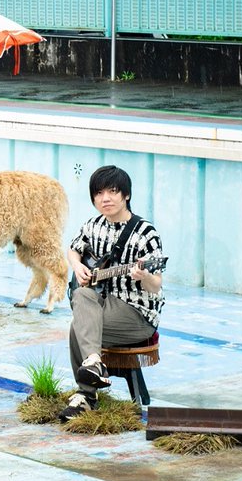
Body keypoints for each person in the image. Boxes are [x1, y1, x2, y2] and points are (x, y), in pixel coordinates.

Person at [60, 165, 165, 422]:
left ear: (126, 195)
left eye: (113, 191)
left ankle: (86, 395)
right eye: (99, 193)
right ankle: (93, 365)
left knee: (77, 328)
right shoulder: (93, 225)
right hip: (103, 303)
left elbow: (156, 286)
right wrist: (78, 266)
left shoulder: (145, 233)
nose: (105, 198)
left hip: (136, 313)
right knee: (82, 295)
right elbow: (73, 249)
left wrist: (144, 276)